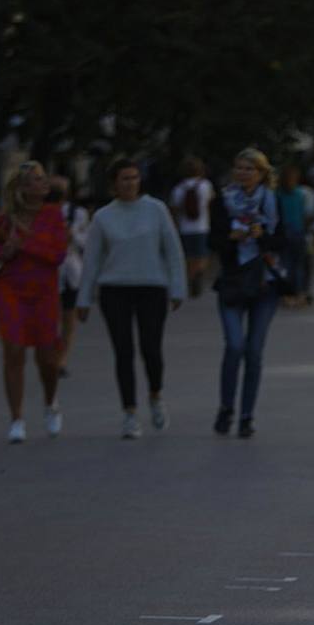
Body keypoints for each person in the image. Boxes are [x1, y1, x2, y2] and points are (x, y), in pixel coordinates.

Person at [76, 158, 187, 439]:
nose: (130, 183)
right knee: (123, 351)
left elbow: (173, 250)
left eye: (134, 177)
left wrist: (177, 288)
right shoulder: (103, 217)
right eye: (124, 178)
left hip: (151, 286)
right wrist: (84, 298)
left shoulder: (156, 210)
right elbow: (92, 260)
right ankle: (129, 412)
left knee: (151, 347)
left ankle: (156, 394)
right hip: (115, 289)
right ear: (114, 183)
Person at [0, 161, 67, 443]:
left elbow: (57, 255)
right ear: (22, 188)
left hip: (43, 291)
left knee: (47, 355)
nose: (44, 184)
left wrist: (25, 244)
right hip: (11, 288)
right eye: (36, 180)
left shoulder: (53, 215)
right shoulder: (6, 217)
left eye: (43, 178)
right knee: (14, 350)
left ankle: (50, 403)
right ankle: (16, 417)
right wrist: (3, 250)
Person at [209, 148, 286, 439]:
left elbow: (284, 240)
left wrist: (261, 236)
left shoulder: (271, 201)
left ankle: (246, 415)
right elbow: (212, 239)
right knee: (234, 345)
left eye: (249, 169)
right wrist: (232, 237)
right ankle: (226, 407)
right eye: (238, 168)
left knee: (254, 352)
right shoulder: (223, 201)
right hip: (233, 282)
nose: (242, 174)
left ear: (262, 173)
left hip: (265, 284)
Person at [54, 175, 90, 378]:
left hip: (71, 270)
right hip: (50, 273)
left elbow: (86, 242)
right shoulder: (41, 213)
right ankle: (51, 354)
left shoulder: (79, 214)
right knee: (52, 318)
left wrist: (73, 235)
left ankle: (62, 360)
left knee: (69, 318)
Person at [169, 157, 215, 299]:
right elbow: (211, 203)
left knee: (188, 256)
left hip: (185, 228)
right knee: (201, 254)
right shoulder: (206, 185)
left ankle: (190, 277)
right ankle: (198, 273)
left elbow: (174, 208)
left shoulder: (179, 188)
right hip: (202, 226)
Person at [274, 165, 311, 308]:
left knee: (286, 265)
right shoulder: (300, 194)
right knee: (299, 266)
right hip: (298, 231)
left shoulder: (278, 194)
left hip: (284, 232)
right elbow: (305, 215)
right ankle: (299, 294)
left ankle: (287, 295)